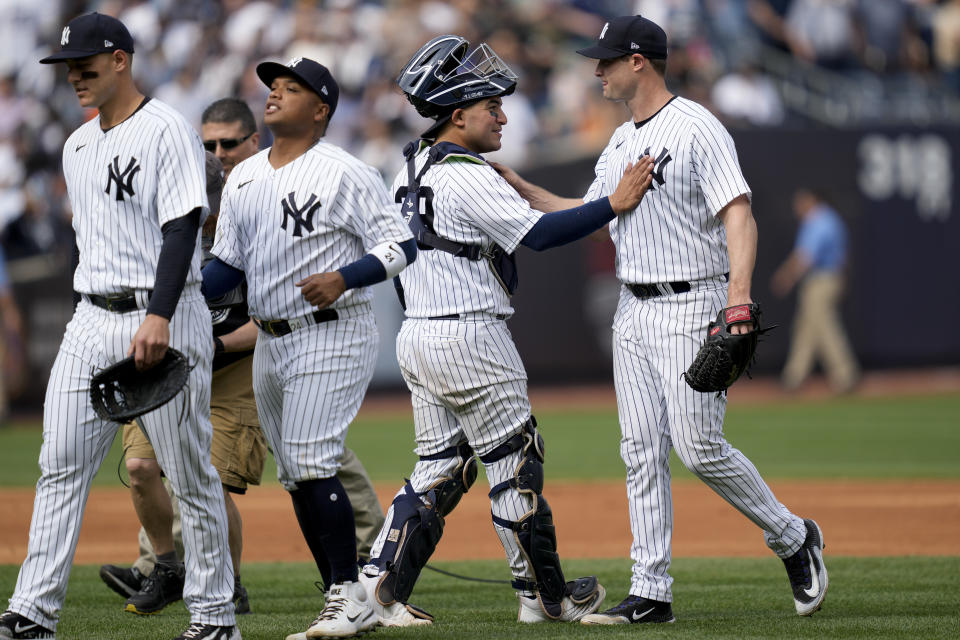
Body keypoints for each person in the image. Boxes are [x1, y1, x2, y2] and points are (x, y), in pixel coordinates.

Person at [494, 15, 828, 625]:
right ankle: (652, 591)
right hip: (633, 308)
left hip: (692, 300)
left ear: (639, 61)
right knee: (640, 450)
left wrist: (738, 298)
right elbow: (592, 212)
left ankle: (792, 536)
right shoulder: (621, 140)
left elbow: (739, 213)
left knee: (699, 447)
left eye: (607, 59)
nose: (596, 69)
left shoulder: (697, 126)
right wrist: (518, 187)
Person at [357, 35, 653, 628]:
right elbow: (539, 237)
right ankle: (545, 598)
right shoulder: (466, 173)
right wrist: (614, 204)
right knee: (515, 464)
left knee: (439, 467)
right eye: (491, 105)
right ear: (457, 113)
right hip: (470, 335)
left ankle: (377, 590)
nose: (503, 114)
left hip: (421, 331)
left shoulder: (409, 162)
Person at [97, 99, 386, 617]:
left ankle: (368, 555)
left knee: (309, 458)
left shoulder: (255, 204)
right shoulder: (173, 227)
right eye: (210, 144)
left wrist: (212, 340)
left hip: (254, 360)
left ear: (253, 142)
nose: (219, 154)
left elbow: (276, 304)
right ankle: (161, 565)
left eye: (229, 143)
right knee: (149, 465)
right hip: (187, 362)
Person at [1, 12, 239, 640]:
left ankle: (214, 617)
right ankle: (32, 612)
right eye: (67, 68)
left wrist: (159, 312)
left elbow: (183, 225)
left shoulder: (167, 129)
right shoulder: (76, 144)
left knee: (188, 472)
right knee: (60, 465)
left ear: (120, 60)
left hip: (163, 312)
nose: (74, 77)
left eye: (85, 65)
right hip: (90, 314)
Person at [202, 57, 416, 640]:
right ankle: (344, 598)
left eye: (291, 88)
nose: (274, 94)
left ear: (320, 109)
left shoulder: (343, 171)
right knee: (297, 473)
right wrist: (179, 296)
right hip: (270, 339)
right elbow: (227, 265)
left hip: (331, 329)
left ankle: (348, 597)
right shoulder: (242, 177)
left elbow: (401, 245)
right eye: (273, 86)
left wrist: (346, 277)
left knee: (311, 460)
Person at [771, 188, 859, 392]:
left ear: (812, 201)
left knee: (824, 326)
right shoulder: (831, 218)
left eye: (801, 202)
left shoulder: (819, 221)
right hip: (830, 278)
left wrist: (786, 277)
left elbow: (805, 257)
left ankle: (846, 376)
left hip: (822, 280)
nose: (797, 207)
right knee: (806, 329)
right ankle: (794, 377)